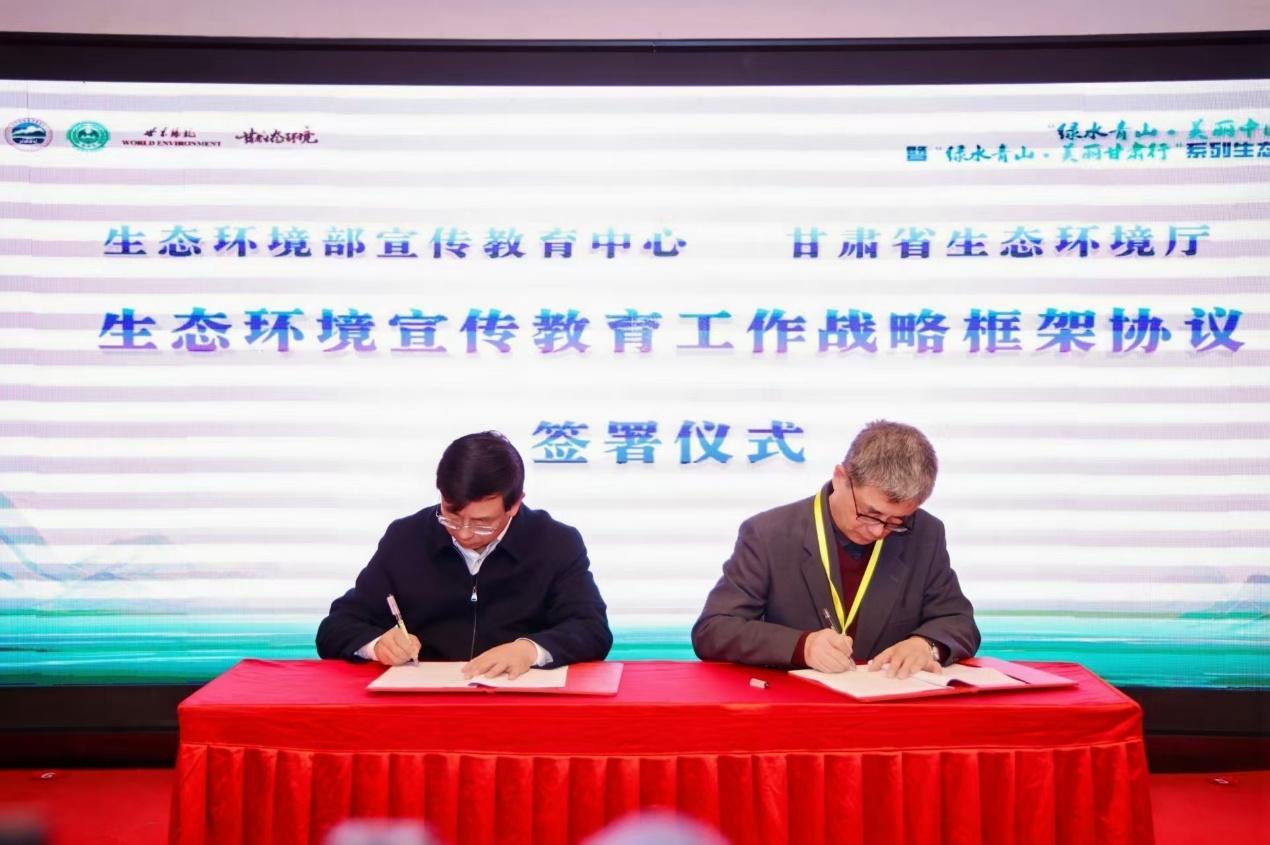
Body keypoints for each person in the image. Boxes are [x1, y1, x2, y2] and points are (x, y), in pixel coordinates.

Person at [692, 420, 978, 679]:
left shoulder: (925, 533)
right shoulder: (769, 534)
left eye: (896, 521)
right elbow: (714, 630)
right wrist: (802, 646)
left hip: (889, 703)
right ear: (841, 477)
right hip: (796, 704)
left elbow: (958, 620)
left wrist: (925, 645)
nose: (878, 531)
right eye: (869, 514)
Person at [316, 431, 612, 678]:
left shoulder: (555, 543)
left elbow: (591, 629)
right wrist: (378, 644)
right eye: (452, 516)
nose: (465, 533)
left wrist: (528, 650)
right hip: (423, 705)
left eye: (483, 523)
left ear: (515, 505)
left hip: (518, 703)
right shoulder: (406, 538)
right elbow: (338, 626)